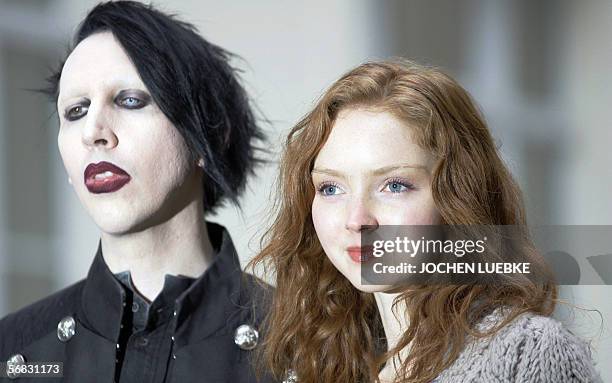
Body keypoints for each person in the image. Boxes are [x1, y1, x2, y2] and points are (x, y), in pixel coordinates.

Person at [251, 60, 603, 382]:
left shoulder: (528, 355)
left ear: (459, 196)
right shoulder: (314, 369)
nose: (357, 219)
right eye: (330, 188)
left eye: (394, 185)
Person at [0, 1, 272, 382]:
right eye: (76, 111)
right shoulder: (12, 351)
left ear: (206, 136)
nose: (93, 131)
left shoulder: (312, 343)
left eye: (129, 100)